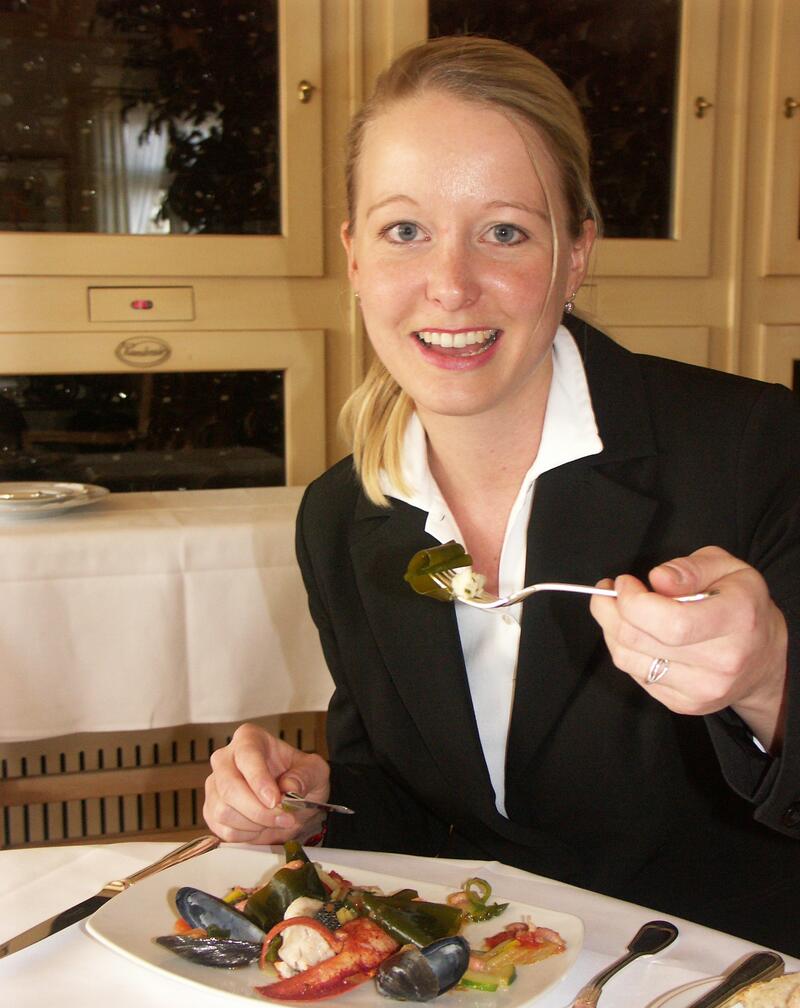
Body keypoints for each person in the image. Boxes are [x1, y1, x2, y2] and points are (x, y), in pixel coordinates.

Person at [204, 36, 800, 954]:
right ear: (354, 256)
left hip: (716, 989)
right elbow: (411, 803)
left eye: (506, 232)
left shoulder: (752, 447)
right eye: (405, 231)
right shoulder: (340, 515)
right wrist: (316, 802)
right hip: (486, 993)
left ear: (576, 254)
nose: (450, 286)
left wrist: (767, 682)